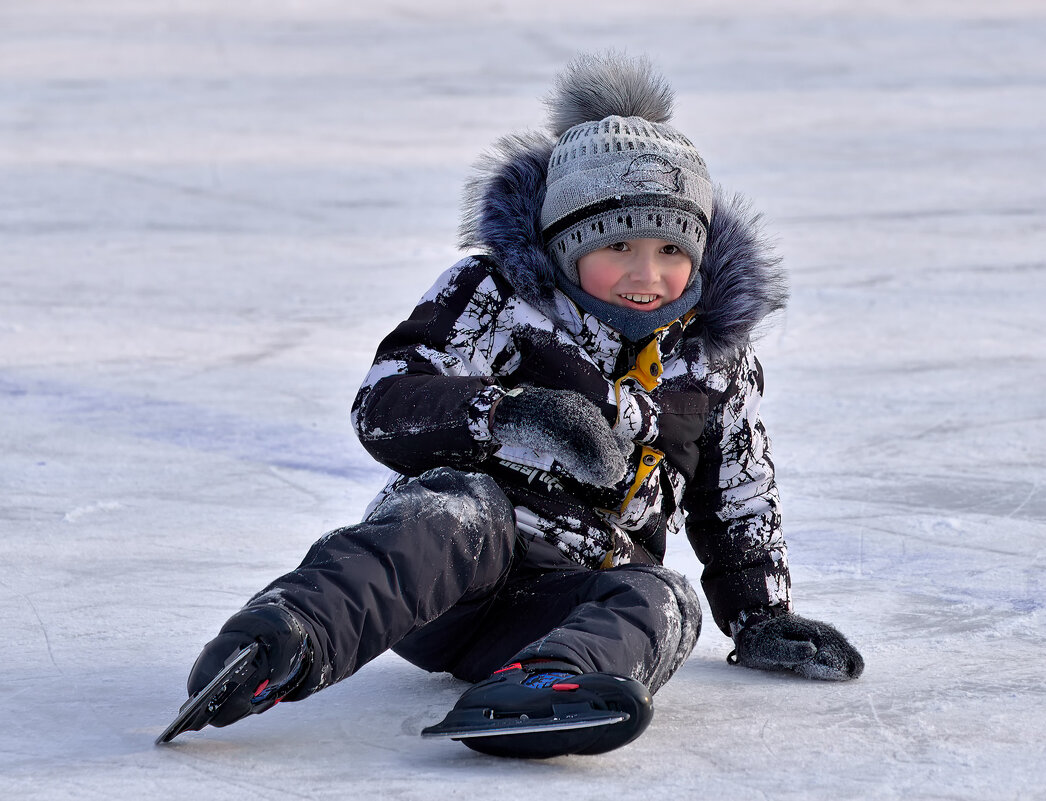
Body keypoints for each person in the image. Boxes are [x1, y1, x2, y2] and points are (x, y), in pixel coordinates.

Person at [178, 51, 863, 759]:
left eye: (669, 247)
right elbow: (385, 403)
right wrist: (510, 414)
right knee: (453, 513)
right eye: (617, 244)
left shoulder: (711, 358)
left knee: (663, 597)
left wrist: (761, 614)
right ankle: (287, 638)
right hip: (441, 582)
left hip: (564, 594)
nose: (646, 273)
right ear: (565, 243)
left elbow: (737, 494)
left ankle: (548, 682)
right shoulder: (501, 299)